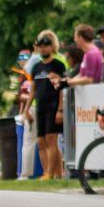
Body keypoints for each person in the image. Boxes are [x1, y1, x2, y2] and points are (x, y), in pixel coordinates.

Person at [27, 33, 70, 181]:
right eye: (40, 46)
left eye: (46, 46)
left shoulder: (58, 65)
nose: (43, 49)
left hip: (53, 106)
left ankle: (52, 173)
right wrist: (26, 110)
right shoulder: (36, 67)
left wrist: (60, 109)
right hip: (40, 106)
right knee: (41, 141)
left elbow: (62, 89)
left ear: (52, 47)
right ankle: (49, 172)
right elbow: (32, 90)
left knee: (52, 140)